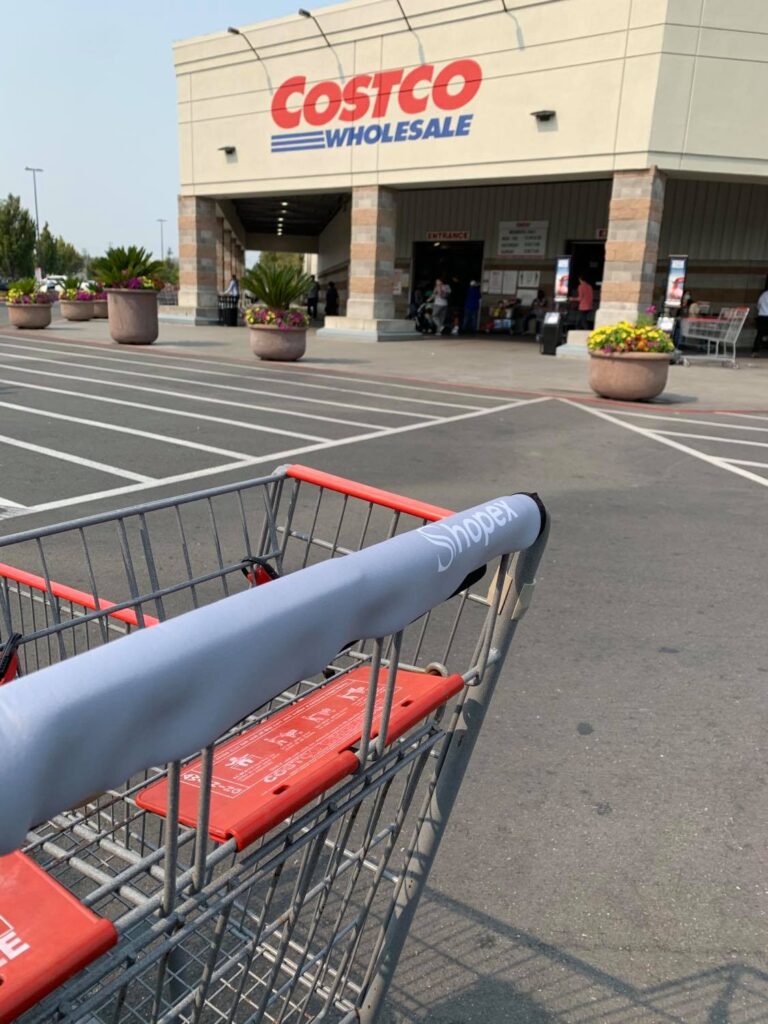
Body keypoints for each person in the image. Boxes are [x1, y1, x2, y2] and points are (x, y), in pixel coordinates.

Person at [752, 285, 768, 357]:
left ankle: (755, 351)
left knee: (760, 334)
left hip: (761, 316)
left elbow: (758, 305)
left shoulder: (763, 294)